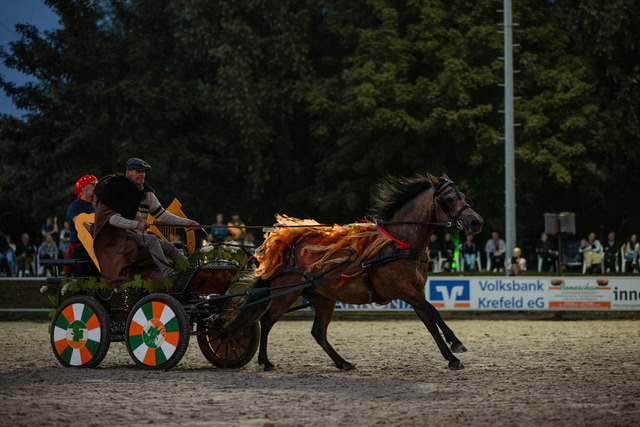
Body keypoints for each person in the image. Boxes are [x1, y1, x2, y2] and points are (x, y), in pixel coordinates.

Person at [93, 158, 199, 287]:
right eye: (138, 171)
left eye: (143, 172)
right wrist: (137, 225)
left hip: (141, 236)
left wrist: (187, 223)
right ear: (128, 172)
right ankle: (169, 274)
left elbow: (162, 215)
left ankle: (191, 271)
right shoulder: (117, 191)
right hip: (123, 237)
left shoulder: (146, 194)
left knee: (170, 246)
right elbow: (113, 219)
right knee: (152, 240)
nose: (141, 174)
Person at [66, 174, 99, 277]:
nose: (96, 187)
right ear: (84, 188)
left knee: (100, 280)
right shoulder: (76, 205)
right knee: (83, 281)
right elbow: (82, 224)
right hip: (81, 250)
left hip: (96, 248)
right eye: (93, 184)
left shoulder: (98, 206)